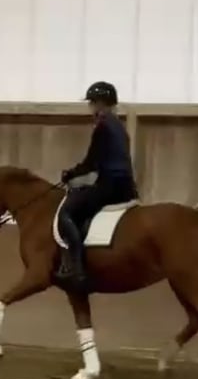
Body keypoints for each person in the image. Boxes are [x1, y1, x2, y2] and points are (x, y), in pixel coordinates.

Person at [55, 81, 139, 292]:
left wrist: (70, 174)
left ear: (101, 103)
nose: (90, 107)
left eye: (92, 102)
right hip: (127, 185)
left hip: (111, 186)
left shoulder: (103, 126)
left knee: (66, 212)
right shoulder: (119, 126)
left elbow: (91, 162)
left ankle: (78, 268)